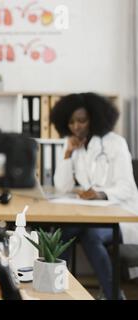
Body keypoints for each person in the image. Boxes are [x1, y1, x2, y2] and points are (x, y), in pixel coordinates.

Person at [50, 92, 138, 299]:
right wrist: (67, 154)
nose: (76, 126)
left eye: (82, 120)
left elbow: (127, 187)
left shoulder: (115, 143)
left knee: (84, 233)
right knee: (63, 230)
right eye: (71, 122)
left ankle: (112, 295)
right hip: (91, 214)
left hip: (122, 214)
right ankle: (55, 287)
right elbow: (62, 186)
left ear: (94, 118)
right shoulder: (73, 143)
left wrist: (100, 193)